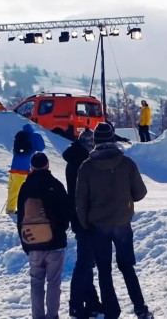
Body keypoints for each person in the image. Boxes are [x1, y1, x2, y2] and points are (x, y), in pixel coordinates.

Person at [76, 122, 153, 319]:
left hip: (98, 226)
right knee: (127, 268)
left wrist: (86, 224)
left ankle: (111, 312)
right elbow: (140, 193)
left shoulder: (87, 167)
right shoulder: (127, 163)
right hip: (122, 223)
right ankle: (140, 309)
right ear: (112, 139)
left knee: (104, 271)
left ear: (95, 141)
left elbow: (80, 202)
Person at [16, 152, 70, 319]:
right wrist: (60, 231)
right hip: (55, 242)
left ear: (31, 167)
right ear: (47, 165)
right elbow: (66, 212)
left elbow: (20, 217)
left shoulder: (25, 187)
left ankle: (37, 316)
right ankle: (52, 316)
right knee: (53, 282)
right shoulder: (55, 184)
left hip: (33, 241)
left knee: (36, 283)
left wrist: (25, 243)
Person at [62, 129, 103, 319]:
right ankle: (76, 305)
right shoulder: (83, 162)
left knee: (86, 263)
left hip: (79, 216)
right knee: (84, 263)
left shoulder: (74, 158)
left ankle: (92, 302)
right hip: (85, 217)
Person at [6, 123, 46, 214]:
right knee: (27, 190)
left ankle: (11, 208)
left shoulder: (19, 136)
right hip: (26, 168)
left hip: (14, 167)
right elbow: (41, 148)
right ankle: (24, 209)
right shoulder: (35, 136)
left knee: (13, 189)